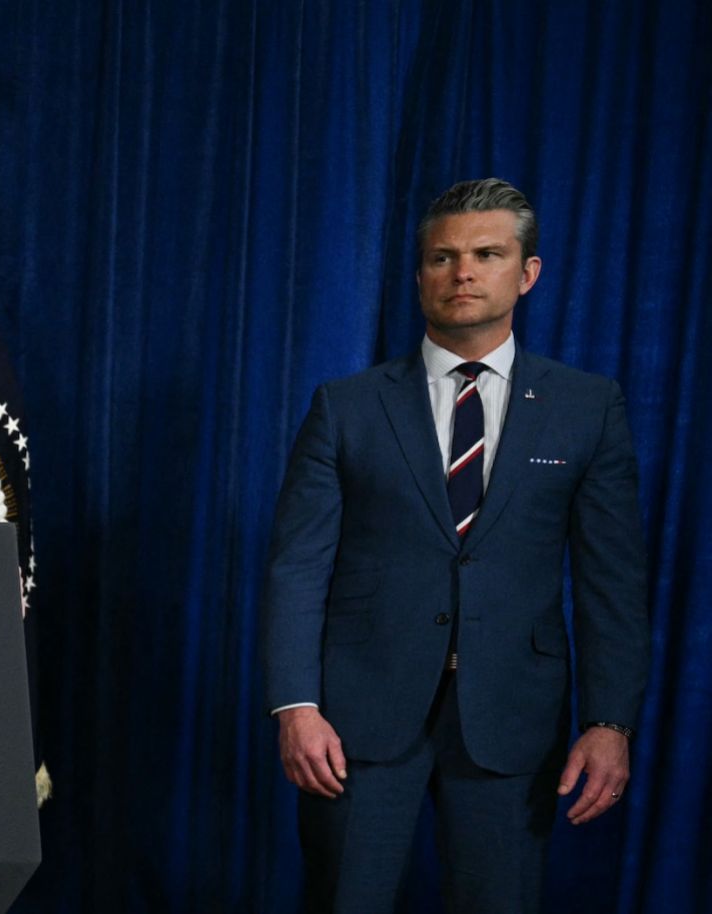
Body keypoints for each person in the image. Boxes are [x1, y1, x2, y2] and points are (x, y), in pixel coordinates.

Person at [262, 179, 648, 912]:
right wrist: (295, 705)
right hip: (355, 719)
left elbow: (613, 582)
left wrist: (609, 722)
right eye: (442, 257)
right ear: (420, 277)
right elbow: (297, 568)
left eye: (486, 255)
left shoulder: (587, 407)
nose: (462, 272)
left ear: (527, 273)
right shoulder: (347, 406)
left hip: (512, 718)